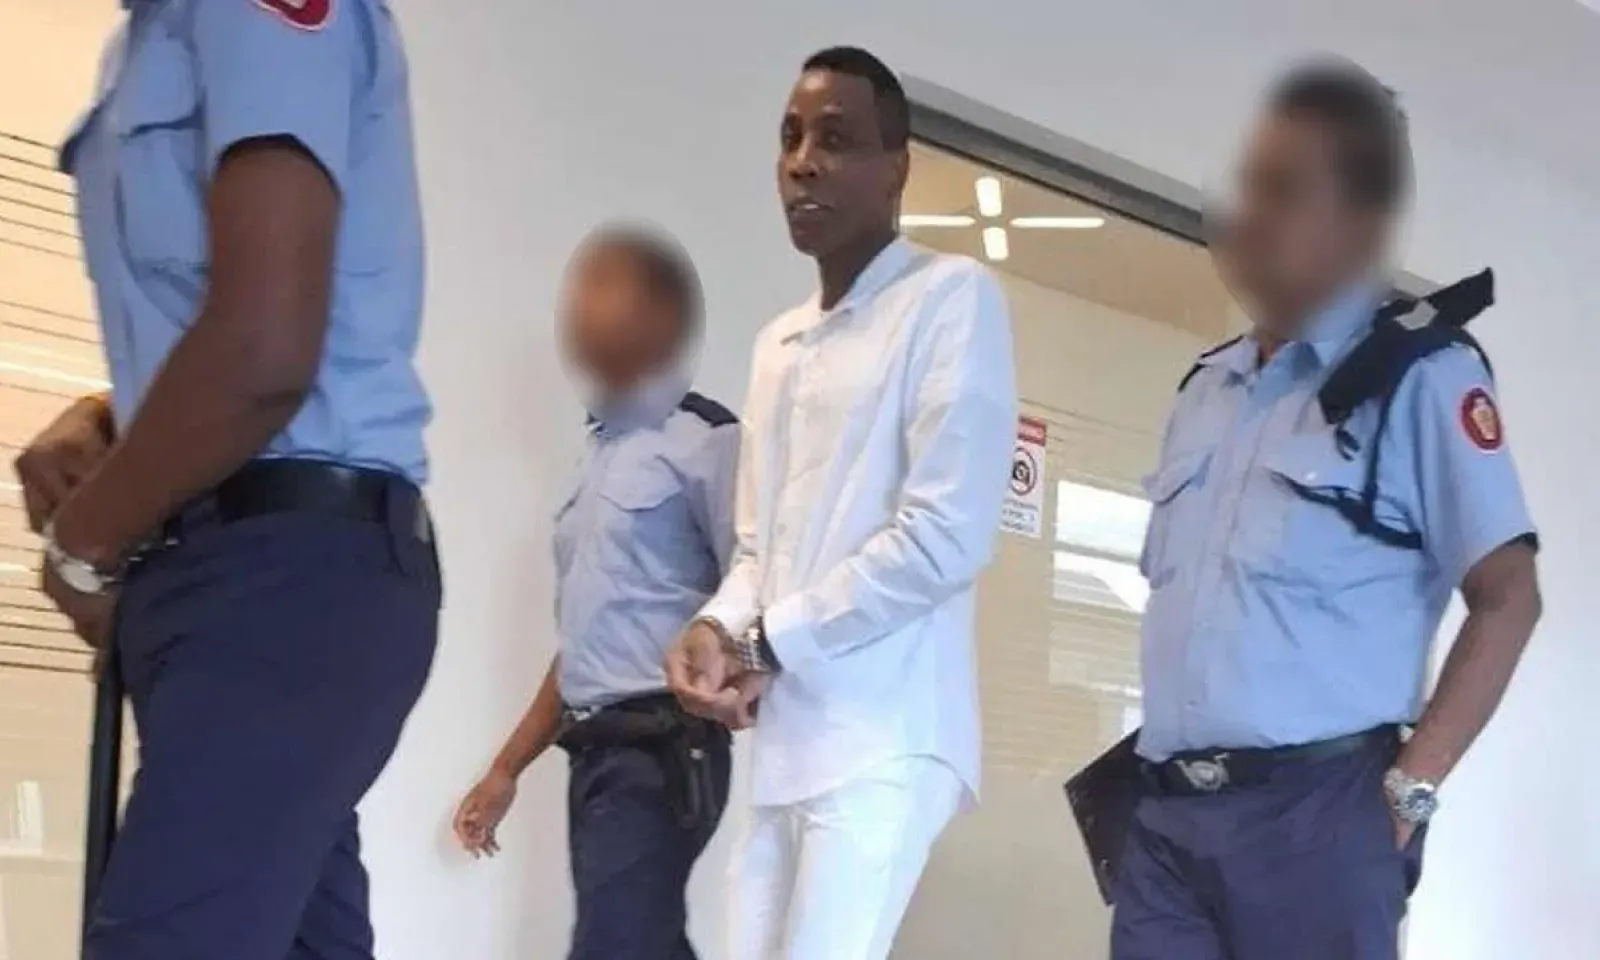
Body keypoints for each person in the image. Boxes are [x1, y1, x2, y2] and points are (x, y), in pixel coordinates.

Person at [20, 1, 439, 956]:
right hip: (233, 577)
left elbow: (263, 353)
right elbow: (218, 324)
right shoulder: (144, 34)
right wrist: (113, 417)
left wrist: (83, 543)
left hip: (282, 582)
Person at [1110, 60, 1541, 959]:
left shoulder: (1423, 375)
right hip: (1166, 816)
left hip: (1316, 818)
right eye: (1250, 187)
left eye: (1287, 192)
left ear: (1359, 221)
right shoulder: (1207, 389)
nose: (1251, 217)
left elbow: (1509, 596)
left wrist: (1413, 787)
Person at [665, 46, 1018, 960]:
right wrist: (715, 628)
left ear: (896, 167)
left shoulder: (950, 300)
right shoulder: (778, 344)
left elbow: (944, 538)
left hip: (886, 734)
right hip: (788, 740)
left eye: (836, 139)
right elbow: (760, 550)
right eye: (789, 139)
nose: (803, 163)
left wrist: (766, 642)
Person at [451, 226, 738, 959]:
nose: (579, 315)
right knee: (642, 944)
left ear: (662, 317)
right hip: (596, 752)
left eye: (605, 291)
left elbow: (758, 581)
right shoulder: (597, 456)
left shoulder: (705, 441)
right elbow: (585, 647)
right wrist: (507, 768)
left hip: (665, 747)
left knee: (615, 946)